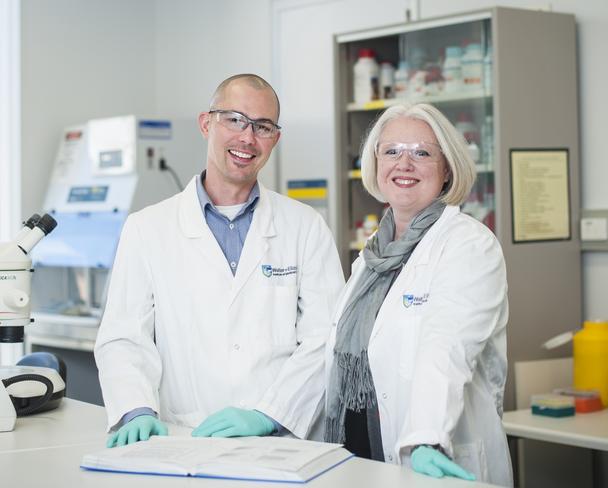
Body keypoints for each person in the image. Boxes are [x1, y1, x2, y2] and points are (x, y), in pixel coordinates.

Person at [95, 74, 344, 447]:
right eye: (234, 119)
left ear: (275, 139)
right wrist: (136, 409)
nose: (247, 138)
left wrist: (268, 415)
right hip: (184, 435)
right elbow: (123, 336)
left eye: (262, 126)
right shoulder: (147, 228)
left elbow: (325, 338)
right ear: (206, 123)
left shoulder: (305, 227)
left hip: (280, 440)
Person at [323, 102, 512, 486]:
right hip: (361, 462)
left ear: (446, 169)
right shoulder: (372, 256)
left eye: (421, 153)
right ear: (376, 164)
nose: (403, 164)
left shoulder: (469, 246)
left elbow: (447, 347)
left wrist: (426, 437)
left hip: (434, 456)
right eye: (391, 151)